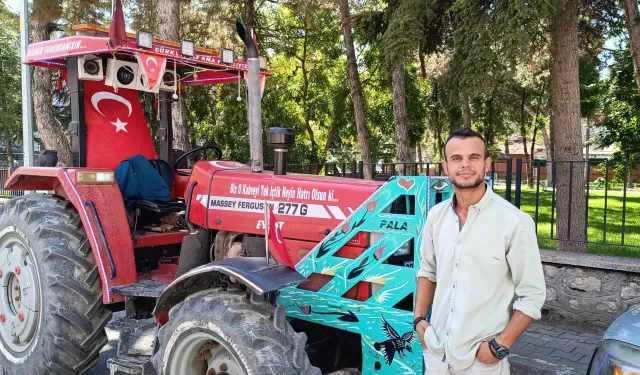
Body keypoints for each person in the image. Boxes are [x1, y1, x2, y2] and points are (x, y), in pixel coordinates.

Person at [413, 128, 546, 375]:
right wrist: (420, 321)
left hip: (481, 362)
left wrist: (498, 347)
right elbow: (428, 271)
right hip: (436, 351)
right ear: (445, 166)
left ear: (486, 164)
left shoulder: (515, 222)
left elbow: (533, 294)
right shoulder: (435, 217)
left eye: (473, 157)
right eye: (456, 158)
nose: (465, 165)